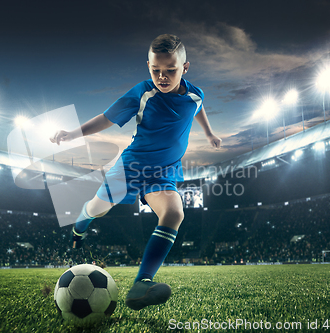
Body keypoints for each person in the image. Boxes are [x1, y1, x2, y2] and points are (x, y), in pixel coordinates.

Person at [50, 34, 221, 310]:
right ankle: (79, 227)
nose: (162, 77)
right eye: (156, 71)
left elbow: (198, 108)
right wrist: (72, 134)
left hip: (164, 172)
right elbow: (107, 118)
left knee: (175, 212)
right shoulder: (143, 93)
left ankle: (142, 284)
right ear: (148, 66)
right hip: (131, 167)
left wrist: (210, 133)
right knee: (97, 208)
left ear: (185, 68)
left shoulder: (195, 94)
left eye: (170, 71)